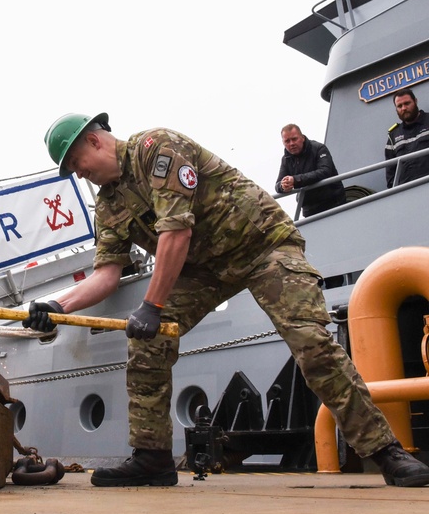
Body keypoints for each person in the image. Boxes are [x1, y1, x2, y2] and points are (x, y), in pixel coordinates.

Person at [23, 112, 429, 488]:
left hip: (261, 246)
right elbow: (107, 273)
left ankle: (386, 452)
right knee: (146, 343)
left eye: (77, 164)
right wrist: (59, 307)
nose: (81, 175)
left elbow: (176, 232)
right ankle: (153, 457)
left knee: (311, 343)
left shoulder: (157, 149)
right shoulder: (109, 205)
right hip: (203, 270)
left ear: (94, 141)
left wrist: (152, 306)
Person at [275, 124, 346, 217]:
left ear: (302, 138)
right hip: (309, 210)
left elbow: (325, 171)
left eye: (294, 139)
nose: (291, 143)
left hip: (333, 203)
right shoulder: (286, 159)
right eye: (287, 141)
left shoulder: (319, 148)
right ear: (283, 143)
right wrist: (283, 186)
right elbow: (277, 185)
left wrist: (295, 180)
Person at [385, 89, 429, 187]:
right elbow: (391, 175)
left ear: (415, 101)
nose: (404, 108)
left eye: (407, 103)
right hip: (409, 193)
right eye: (399, 106)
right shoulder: (393, 136)